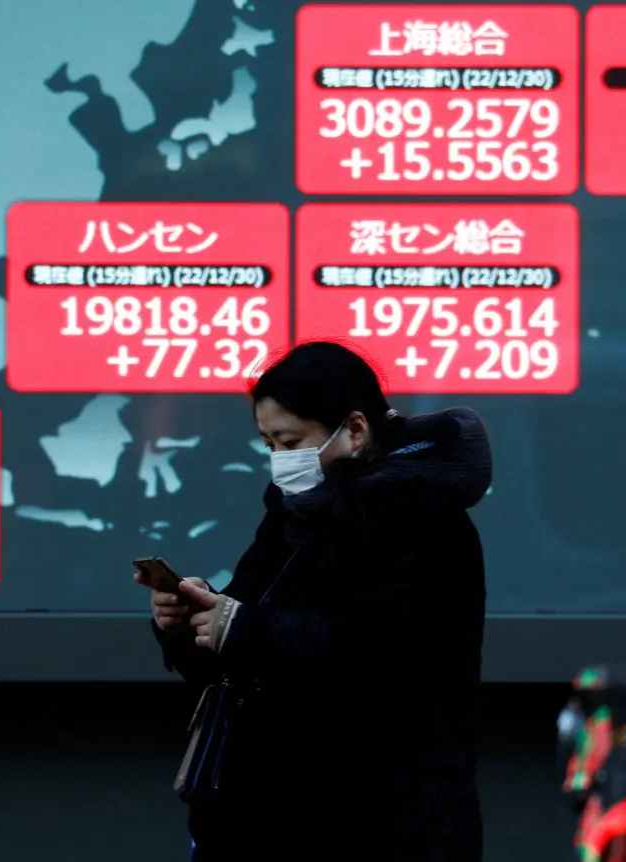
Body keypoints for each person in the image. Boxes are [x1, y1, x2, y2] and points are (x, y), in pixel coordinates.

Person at [134, 341, 491, 862]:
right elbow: (248, 633)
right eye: (268, 444)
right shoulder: (293, 515)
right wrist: (190, 621)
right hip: (269, 818)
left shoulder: (422, 518)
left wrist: (245, 630)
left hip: (376, 821)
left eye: (290, 440)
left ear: (354, 430)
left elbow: (386, 656)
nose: (280, 460)